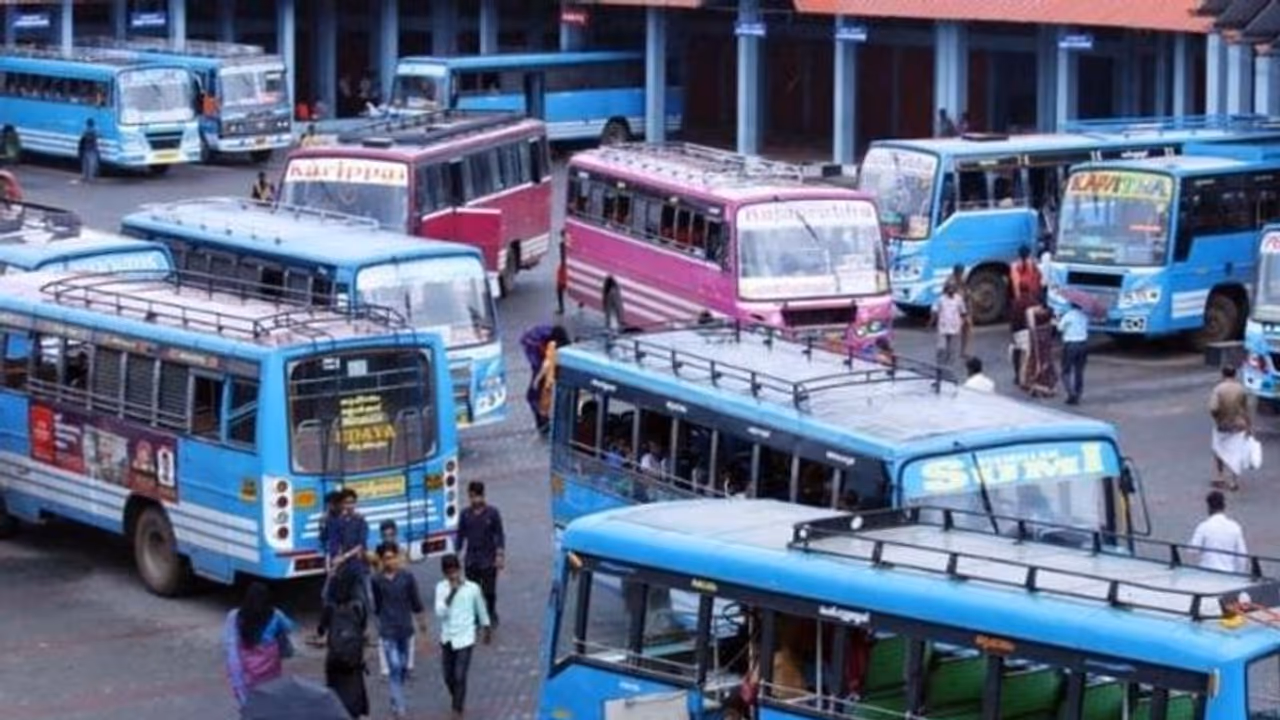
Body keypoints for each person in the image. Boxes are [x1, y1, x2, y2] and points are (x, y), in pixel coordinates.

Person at [371, 542, 428, 720]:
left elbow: (415, 601)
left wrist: (421, 622)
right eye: (387, 558)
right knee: (394, 666)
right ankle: (400, 707)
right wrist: (379, 624)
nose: (391, 561)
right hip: (388, 630)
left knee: (402, 667)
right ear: (381, 561)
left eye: (393, 557)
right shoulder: (376, 580)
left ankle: (395, 697)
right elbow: (377, 605)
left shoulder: (407, 577)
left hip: (405, 628)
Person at [435, 553, 493, 716]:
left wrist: (486, 629)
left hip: (466, 637)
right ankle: (457, 698)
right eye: (449, 572)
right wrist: (452, 593)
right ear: (444, 573)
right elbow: (440, 612)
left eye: (455, 571)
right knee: (448, 676)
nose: (453, 575)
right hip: (447, 637)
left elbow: (481, 609)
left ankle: (457, 708)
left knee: (460, 674)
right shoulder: (441, 588)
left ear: (459, 570)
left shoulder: (472, 588)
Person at [223, 582, 296, 707]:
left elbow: (230, 644)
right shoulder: (275, 614)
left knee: (251, 697)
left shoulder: (235, 615)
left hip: (247, 665)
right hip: (270, 663)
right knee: (270, 693)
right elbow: (290, 627)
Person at [319, 568, 370, 719]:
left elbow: (321, 629)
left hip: (334, 659)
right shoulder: (358, 607)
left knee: (335, 691)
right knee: (354, 689)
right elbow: (363, 628)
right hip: (354, 659)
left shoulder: (330, 608)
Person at [456, 481, 505, 628]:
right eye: (472, 497)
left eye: (477, 497)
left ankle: (491, 611)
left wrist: (500, 555)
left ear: (483, 496)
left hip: (488, 559)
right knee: (473, 590)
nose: (475, 500)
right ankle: (476, 616)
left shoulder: (493, 513)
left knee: (489, 591)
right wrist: (456, 553)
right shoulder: (465, 515)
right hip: (472, 560)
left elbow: (499, 534)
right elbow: (460, 535)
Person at [372, 520, 415, 678]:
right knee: (383, 634)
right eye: (385, 535)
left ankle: (408, 666)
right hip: (384, 597)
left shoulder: (402, 551)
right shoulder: (377, 553)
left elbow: (407, 572)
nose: (388, 538)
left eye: (391, 534)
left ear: (395, 534)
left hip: (402, 596)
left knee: (408, 633)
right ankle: (385, 669)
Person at [1209, 365, 1253, 491]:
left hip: (1223, 425)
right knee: (1236, 452)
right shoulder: (1241, 389)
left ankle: (1220, 476)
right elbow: (1246, 409)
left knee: (1218, 449)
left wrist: (1217, 417)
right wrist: (1249, 426)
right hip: (1239, 424)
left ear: (1223, 374)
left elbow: (1213, 407)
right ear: (1235, 374)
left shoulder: (1218, 389)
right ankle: (1234, 481)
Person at [327, 489, 371, 606]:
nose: (349, 505)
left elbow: (361, 544)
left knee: (361, 596)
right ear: (342, 504)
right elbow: (334, 542)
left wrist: (345, 556)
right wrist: (334, 560)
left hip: (357, 563)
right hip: (341, 566)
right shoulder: (337, 522)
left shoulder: (360, 521)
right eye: (346, 502)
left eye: (352, 502)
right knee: (336, 597)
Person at [1189, 490, 1248, 573]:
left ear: (1209, 507)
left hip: (1206, 572)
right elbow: (1242, 556)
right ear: (1224, 507)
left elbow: (1193, 550)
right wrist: (1239, 573)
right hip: (1228, 573)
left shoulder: (1203, 526)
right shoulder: (1235, 527)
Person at [532, 325, 571, 434]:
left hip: (550, 382)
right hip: (564, 381)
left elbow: (547, 364)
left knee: (544, 405)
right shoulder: (569, 347)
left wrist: (537, 379)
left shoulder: (552, 346)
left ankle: (545, 426)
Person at [1023, 292, 1058, 398]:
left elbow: (1031, 327)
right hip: (1046, 339)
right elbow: (1054, 325)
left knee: (1035, 360)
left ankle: (1036, 385)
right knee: (1046, 360)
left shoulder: (1030, 311)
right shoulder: (1050, 311)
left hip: (1036, 339)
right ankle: (1047, 386)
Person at [1056, 301, 1089, 405]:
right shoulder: (1084, 316)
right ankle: (1078, 393)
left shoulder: (1068, 315)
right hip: (1083, 344)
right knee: (1079, 371)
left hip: (1070, 345)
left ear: (1071, 305)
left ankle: (1071, 394)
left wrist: (1058, 320)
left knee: (1065, 371)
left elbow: (1060, 328)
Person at [929, 281, 967, 369]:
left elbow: (963, 312)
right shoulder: (940, 299)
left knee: (952, 350)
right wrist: (931, 322)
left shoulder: (959, 299)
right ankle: (939, 366)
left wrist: (962, 323)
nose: (951, 290)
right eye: (949, 288)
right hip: (943, 327)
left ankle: (949, 368)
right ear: (946, 289)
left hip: (955, 327)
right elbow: (934, 311)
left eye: (952, 288)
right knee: (941, 348)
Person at [1008, 282, 1035, 388]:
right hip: (1026, 331)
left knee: (1016, 355)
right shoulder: (1032, 302)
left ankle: (1017, 376)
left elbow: (1012, 320)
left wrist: (1011, 335)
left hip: (1016, 332)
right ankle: (1024, 378)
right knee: (1026, 357)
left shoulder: (1015, 302)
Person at [78, 119, 99, 184]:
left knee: (85, 164)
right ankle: (90, 178)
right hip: (92, 149)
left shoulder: (85, 131)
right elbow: (97, 136)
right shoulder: (94, 131)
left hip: (85, 149)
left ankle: (84, 177)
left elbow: (82, 139)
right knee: (91, 164)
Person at [555, 229, 569, 315]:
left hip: (564, 268)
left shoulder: (562, 245)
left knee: (559, 288)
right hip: (566, 267)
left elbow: (563, 258)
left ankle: (561, 308)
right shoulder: (567, 244)